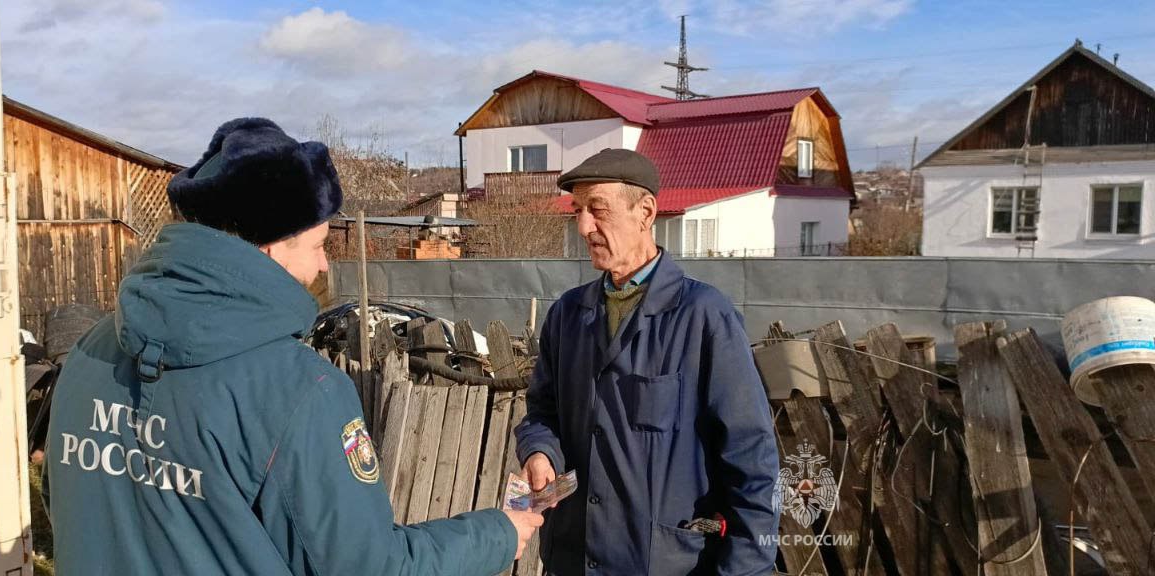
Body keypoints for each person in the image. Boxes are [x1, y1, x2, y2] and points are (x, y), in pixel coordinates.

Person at [42, 117, 542, 575]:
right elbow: (368, 568)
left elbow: (62, 505)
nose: (325, 267)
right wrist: (498, 534)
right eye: (319, 245)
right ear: (268, 246)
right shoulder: (301, 388)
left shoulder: (93, 350)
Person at [514, 149, 779, 575]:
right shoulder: (567, 315)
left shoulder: (703, 316)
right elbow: (542, 411)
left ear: (646, 212)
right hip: (573, 558)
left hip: (670, 563)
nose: (584, 226)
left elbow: (751, 457)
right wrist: (540, 451)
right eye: (578, 211)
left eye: (597, 210)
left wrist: (746, 569)